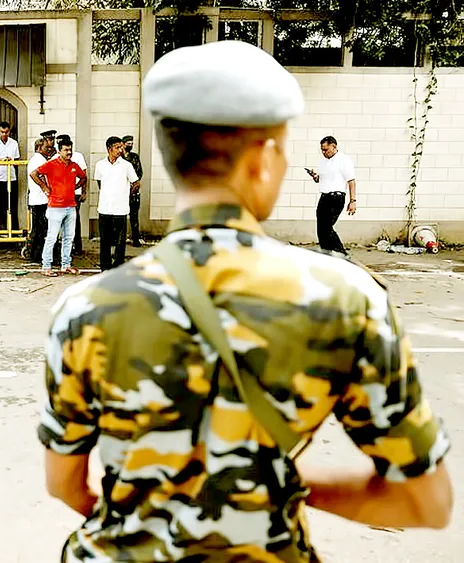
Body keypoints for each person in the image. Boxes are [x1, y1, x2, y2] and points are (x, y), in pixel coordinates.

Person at [38, 41, 451, 563]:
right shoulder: (345, 299)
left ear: (168, 157)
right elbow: (424, 501)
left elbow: (66, 486)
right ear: (264, 158)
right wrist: (277, 478)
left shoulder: (85, 307)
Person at [31, 137, 86, 277]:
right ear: (59, 151)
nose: (69, 152)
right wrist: (44, 187)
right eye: (66, 150)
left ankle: (65, 265)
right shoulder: (51, 164)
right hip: (55, 206)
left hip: (70, 206)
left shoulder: (74, 165)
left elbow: (83, 177)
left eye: (70, 149)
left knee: (69, 237)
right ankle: (46, 266)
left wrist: (75, 187)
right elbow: (34, 173)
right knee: (52, 237)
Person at [305, 135, 356, 254]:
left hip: (336, 198)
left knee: (327, 227)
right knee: (320, 228)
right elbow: (321, 179)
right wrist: (315, 176)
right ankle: (326, 252)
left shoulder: (344, 160)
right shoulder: (323, 162)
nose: (323, 152)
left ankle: (341, 253)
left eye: (326, 150)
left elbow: (351, 181)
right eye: (322, 150)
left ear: (334, 146)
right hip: (324, 197)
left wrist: (353, 201)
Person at [94, 136, 138, 270]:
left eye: (121, 147)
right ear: (109, 149)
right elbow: (99, 182)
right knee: (105, 240)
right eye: (117, 147)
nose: (120, 150)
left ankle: (118, 266)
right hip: (105, 208)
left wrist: (125, 194)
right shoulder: (100, 165)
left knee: (120, 241)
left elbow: (136, 183)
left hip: (121, 208)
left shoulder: (126, 165)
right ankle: (105, 267)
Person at [54, 134, 88, 255]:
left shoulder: (77, 156)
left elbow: (84, 175)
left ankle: (77, 246)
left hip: (74, 194)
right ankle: (62, 246)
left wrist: (82, 190)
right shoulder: (55, 157)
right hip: (60, 195)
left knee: (74, 220)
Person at [26, 137, 53, 264]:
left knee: (39, 228)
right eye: (46, 147)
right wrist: (44, 186)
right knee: (40, 228)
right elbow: (34, 175)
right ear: (38, 148)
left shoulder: (40, 159)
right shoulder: (38, 160)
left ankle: (35, 253)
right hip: (40, 199)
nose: (49, 149)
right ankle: (36, 254)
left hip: (39, 198)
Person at [0, 120, 22, 230]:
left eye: (7, 132)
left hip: (11, 177)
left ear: (9, 132)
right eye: (2, 132)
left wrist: (11, 160)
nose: (4, 134)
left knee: (12, 206)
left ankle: (13, 231)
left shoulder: (14, 143)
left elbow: (17, 158)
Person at [120, 134, 144, 246]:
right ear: (123, 144)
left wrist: (133, 183)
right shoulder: (119, 157)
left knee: (134, 216)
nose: (130, 145)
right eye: (128, 143)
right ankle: (118, 239)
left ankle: (135, 238)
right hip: (121, 190)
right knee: (120, 216)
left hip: (133, 189)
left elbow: (139, 172)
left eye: (131, 144)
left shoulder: (135, 157)